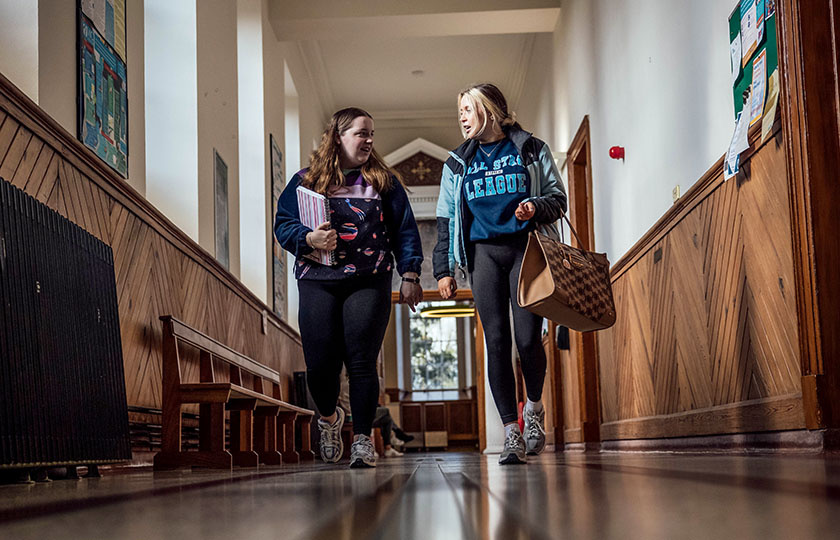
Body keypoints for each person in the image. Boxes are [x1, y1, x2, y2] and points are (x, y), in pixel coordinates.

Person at [274, 107, 424, 468]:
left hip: (368, 280)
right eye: (361, 133)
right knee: (320, 365)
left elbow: (405, 231)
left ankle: (361, 440)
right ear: (338, 136)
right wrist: (309, 237)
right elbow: (282, 225)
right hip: (317, 280)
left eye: (372, 133)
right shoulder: (305, 180)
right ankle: (329, 419)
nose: (369, 140)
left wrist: (410, 275)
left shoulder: (384, 182)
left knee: (361, 363)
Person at [433, 83, 567, 465]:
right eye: (458, 109)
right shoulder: (457, 163)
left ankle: (534, 410)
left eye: (467, 108)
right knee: (496, 343)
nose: (461, 116)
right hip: (482, 255)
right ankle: (511, 432)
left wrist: (533, 207)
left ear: (489, 109)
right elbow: (445, 218)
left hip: (526, 249)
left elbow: (558, 200)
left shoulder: (530, 148)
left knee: (527, 341)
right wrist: (443, 269)